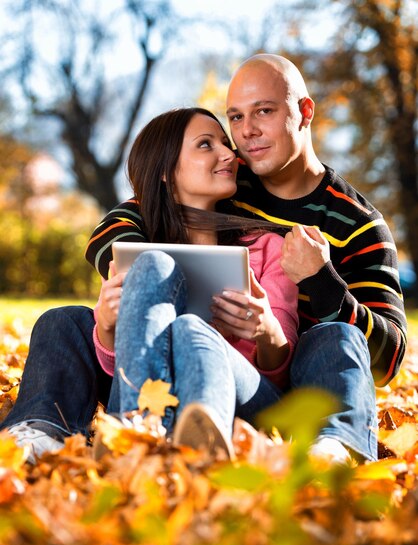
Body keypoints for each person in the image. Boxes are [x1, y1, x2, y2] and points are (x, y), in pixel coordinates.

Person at [3, 53, 406, 464]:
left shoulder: (357, 226)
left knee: (326, 336)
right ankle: (52, 428)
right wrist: (135, 275)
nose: (244, 136)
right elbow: (122, 219)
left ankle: (328, 447)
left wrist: (321, 283)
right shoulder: (231, 178)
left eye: (263, 111)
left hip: (274, 383)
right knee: (64, 319)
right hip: (154, 362)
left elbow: (386, 358)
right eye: (235, 117)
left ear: (304, 112)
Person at [92, 107, 298, 457]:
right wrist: (109, 326)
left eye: (224, 143)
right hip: (157, 399)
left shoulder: (268, 249)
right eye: (206, 145)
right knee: (152, 268)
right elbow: (120, 369)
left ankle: (169, 439)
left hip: (247, 404)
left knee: (190, 328)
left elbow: (280, 376)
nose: (228, 154)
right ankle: (142, 433)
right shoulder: (143, 259)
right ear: (165, 172)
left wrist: (267, 331)